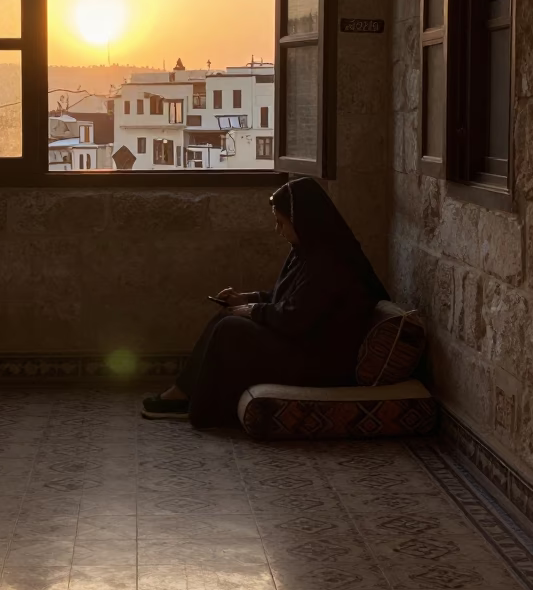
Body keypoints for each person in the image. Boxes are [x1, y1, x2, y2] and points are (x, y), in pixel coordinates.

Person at [142, 177, 388, 426]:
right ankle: (185, 394)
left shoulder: (330, 263)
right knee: (228, 317)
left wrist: (252, 310)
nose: (277, 230)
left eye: (281, 222)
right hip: (302, 343)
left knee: (231, 328)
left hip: (319, 360)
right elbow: (284, 298)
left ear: (303, 221)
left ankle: (197, 401)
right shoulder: (306, 252)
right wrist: (245, 299)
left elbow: (295, 318)